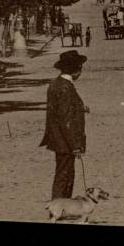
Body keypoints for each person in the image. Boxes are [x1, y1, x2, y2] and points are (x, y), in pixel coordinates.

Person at [40, 50, 89, 199]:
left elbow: (62, 109)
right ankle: (59, 207)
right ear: (76, 69)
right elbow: (65, 119)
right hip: (65, 141)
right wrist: (75, 145)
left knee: (66, 173)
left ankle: (63, 206)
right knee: (65, 175)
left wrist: (80, 108)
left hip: (59, 138)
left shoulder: (57, 83)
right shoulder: (66, 87)